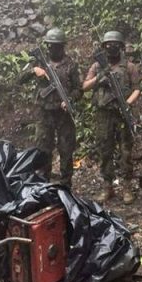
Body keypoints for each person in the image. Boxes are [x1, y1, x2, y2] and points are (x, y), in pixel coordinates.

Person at [82, 30, 141, 205]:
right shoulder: (97, 66)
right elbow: (84, 86)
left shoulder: (129, 67)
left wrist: (128, 104)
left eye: (115, 44)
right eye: (107, 44)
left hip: (122, 114)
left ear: (121, 47)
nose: (111, 47)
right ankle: (108, 186)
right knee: (105, 150)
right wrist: (100, 77)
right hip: (104, 114)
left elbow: (137, 88)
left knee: (125, 152)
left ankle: (127, 187)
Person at [29, 28, 82, 188]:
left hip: (63, 114)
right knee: (43, 148)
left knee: (66, 150)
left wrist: (70, 99)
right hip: (44, 113)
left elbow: (78, 89)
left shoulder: (71, 65)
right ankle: (43, 184)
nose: (54, 49)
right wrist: (34, 71)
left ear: (63, 46)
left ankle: (66, 184)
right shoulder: (39, 62)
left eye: (57, 46)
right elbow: (20, 79)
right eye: (51, 46)